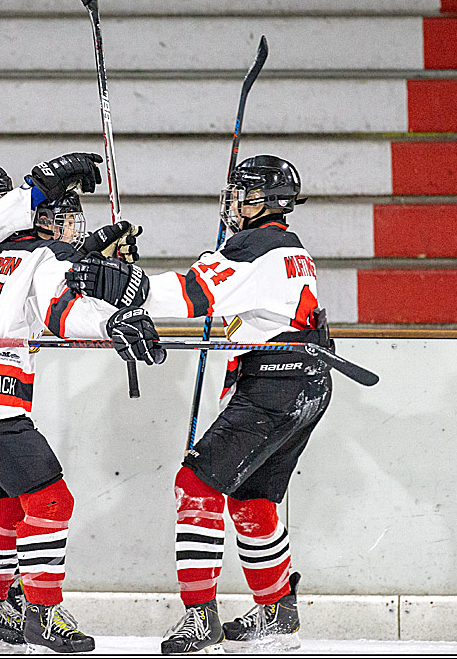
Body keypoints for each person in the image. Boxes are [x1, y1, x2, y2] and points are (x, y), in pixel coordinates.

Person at [66, 155, 332, 653]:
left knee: (195, 486)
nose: (233, 202)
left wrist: (124, 283)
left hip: (274, 386)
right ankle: (276, 614)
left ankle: (200, 620)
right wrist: (134, 282)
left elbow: (190, 294)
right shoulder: (285, 248)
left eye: (242, 193)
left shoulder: (258, 247)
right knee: (253, 501)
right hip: (304, 382)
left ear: (263, 201)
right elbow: (208, 290)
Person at [0, 152, 164, 653]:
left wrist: (89, 260)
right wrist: (110, 320)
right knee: (50, 501)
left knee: (2, 506)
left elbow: (25, 272)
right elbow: (59, 305)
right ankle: (41, 613)